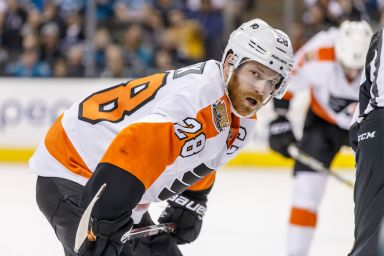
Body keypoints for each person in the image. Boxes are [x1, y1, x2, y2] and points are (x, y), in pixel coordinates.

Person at [30, 18, 294, 256]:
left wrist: (192, 199)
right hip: (72, 166)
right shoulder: (195, 99)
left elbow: (204, 152)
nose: (261, 88)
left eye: (271, 81)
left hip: (116, 181)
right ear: (230, 63)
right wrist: (105, 218)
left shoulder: (241, 119)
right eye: (255, 73)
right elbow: (135, 143)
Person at [268, 20, 372, 256]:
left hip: (366, 124)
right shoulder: (320, 52)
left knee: (376, 192)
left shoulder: (380, 59)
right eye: (347, 68)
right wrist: (280, 121)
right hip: (322, 123)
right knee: (305, 192)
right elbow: (286, 82)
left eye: (358, 70)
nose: (353, 75)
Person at [349, 28, 384, 255]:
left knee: (370, 239)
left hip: (375, 128)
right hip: (377, 128)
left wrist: (359, 130)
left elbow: (366, 90)